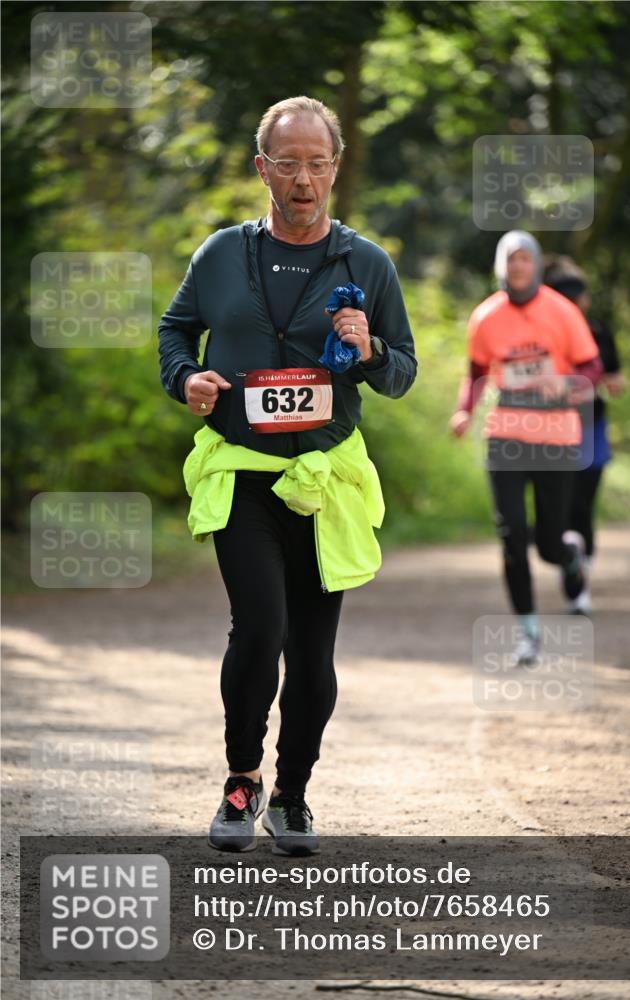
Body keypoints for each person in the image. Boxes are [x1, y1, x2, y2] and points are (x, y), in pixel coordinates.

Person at [158, 96, 416, 854]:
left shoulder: (367, 263)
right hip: (242, 473)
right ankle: (242, 779)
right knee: (259, 627)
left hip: (324, 482)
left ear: (335, 168)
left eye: (317, 163)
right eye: (288, 163)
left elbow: (401, 372)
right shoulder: (219, 255)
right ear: (261, 168)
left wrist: (369, 350)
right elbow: (175, 331)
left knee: (310, 654)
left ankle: (292, 794)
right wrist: (186, 378)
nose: (303, 179)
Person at [450, 231, 602, 665]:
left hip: (556, 436)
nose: (517, 266)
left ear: (535, 265)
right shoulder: (485, 316)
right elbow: (475, 371)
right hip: (506, 434)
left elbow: (592, 366)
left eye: (524, 258)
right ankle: (529, 633)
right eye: (510, 258)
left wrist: (567, 383)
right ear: (501, 265)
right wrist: (464, 410)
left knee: (549, 545)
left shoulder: (562, 310)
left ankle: (569, 555)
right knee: (512, 535)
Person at [544, 256, 625, 614]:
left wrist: (594, 380)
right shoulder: (542, 333)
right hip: (547, 430)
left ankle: (579, 588)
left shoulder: (599, 331)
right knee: (559, 510)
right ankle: (574, 581)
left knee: (581, 507)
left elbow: (617, 380)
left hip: (591, 428)